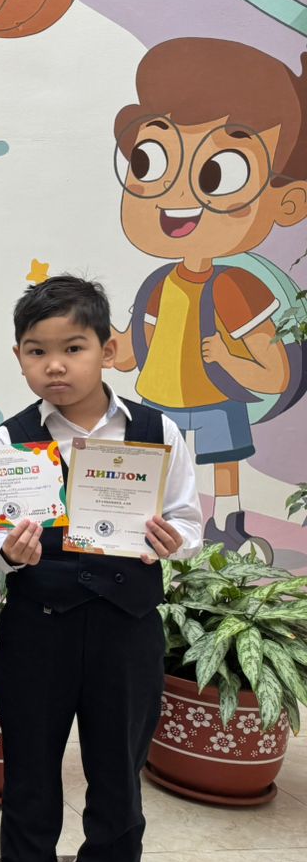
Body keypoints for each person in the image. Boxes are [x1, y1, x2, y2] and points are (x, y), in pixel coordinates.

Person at [0, 275, 201, 862]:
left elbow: (188, 517)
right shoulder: (11, 440)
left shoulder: (157, 430)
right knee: (29, 778)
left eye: (72, 348)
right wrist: (6, 552)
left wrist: (174, 538)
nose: (55, 365)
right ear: (19, 358)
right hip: (38, 630)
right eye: (37, 351)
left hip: (126, 629)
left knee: (117, 781)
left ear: (107, 349)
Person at [108, 38, 307, 561]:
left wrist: (231, 360)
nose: (177, 195)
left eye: (221, 172)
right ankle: (149, 524)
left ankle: (227, 523)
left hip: (215, 394)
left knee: (223, 460)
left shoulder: (236, 287)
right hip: (159, 396)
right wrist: (103, 345)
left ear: (286, 202)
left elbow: (274, 372)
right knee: (158, 464)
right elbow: (136, 345)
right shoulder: (158, 283)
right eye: (150, 161)